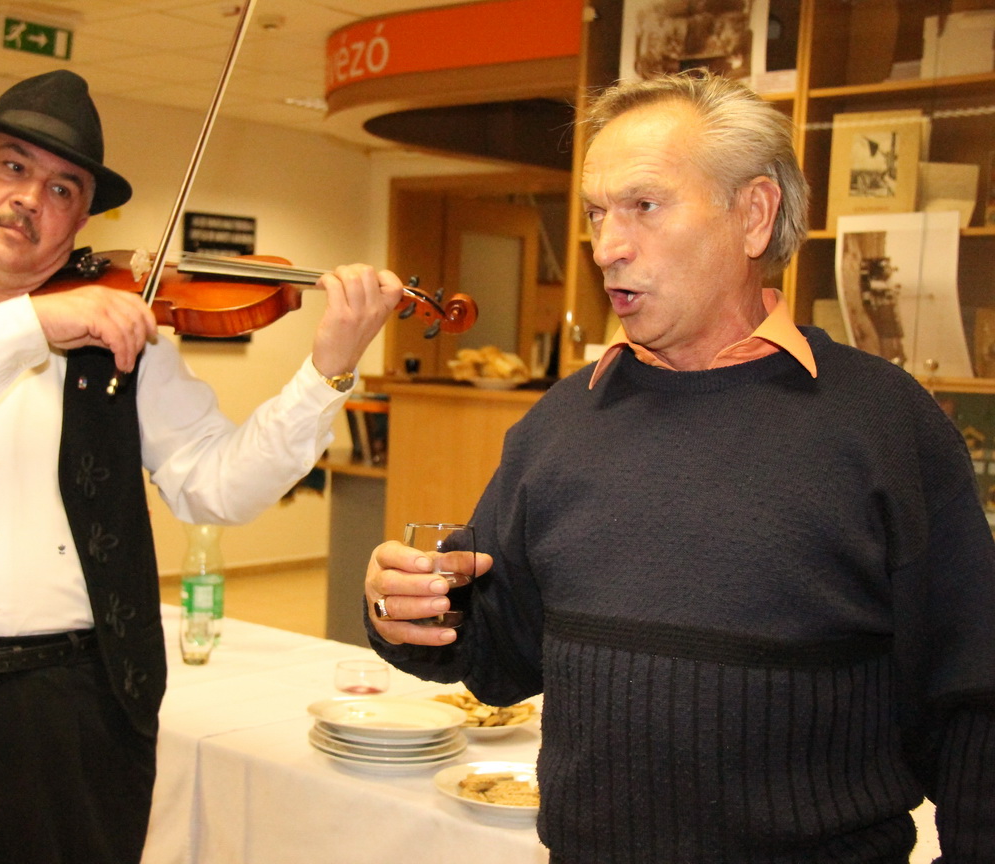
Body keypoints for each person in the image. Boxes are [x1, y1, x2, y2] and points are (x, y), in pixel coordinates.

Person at [365, 71, 995, 863]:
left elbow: (974, 699)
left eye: (644, 205)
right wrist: (408, 611)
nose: (607, 246)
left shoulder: (886, 424)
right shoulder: (559, 422)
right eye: (597, 213)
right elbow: (498, 653)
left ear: (754, 215)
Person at [0, 69, 401, 864]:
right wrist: (32, 324)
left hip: (77, 708)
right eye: (11, 166)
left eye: (62, 189)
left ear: (81, 219)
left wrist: (326, 371)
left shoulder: (126, 340)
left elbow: (217, 486)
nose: (30, 198)